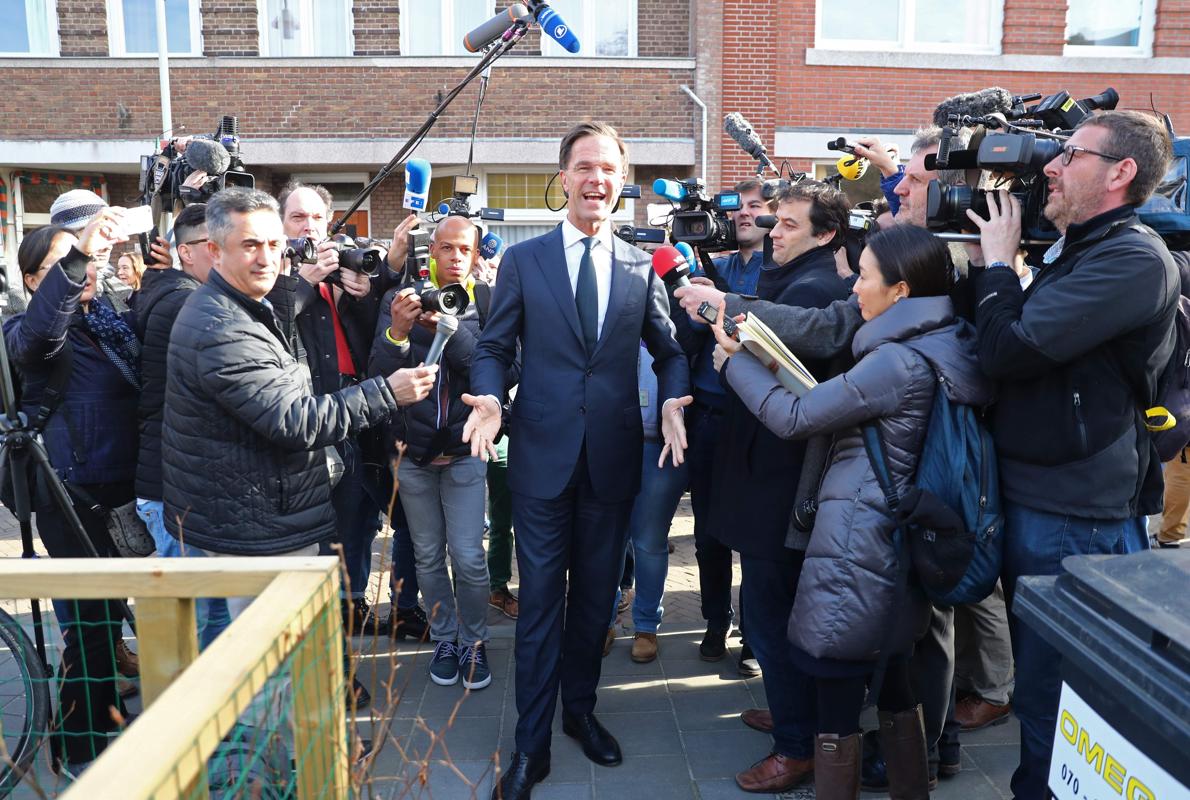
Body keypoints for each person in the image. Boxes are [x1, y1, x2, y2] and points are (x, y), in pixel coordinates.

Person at [716, 224, 993, 800]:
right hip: (897, 545)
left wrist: (734, 363)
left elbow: (795, 419)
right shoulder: (947, 339)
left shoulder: (894, 361)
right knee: (896, 687)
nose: (851, 287)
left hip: (858, 547)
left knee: (837, 698)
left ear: (899, 291)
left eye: (862, 276)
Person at [466, 121, 691, 800]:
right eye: (585, 167)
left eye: (609, 170)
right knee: (539, 605)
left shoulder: (637, 263)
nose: (597, 180)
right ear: (563, 178)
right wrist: (487, 394)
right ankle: (530, 748)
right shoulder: (525, 261)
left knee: (595, 603)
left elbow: (671, 348)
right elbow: (494, 344)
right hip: (539, 459)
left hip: (613, 462)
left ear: (621, 184)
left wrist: (676, 397)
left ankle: (580, 713)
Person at [965, 110, 1178, 798]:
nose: (1050, 168)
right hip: (1039, 493)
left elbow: (1008, 351)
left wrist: (998, 266)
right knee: (1040, 686)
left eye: (1070, 156)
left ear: (1121, 173)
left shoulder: (1130, 258)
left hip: (1076, 511)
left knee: (1059, 694)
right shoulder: (1079, 248)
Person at [161, 188, 437, 603]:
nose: (266, 257)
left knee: (351, 541)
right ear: (214, 252)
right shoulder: (224, 323)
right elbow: (294, 420)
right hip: (256, 526)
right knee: (274, 658)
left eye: (273, 245)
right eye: (250, 245)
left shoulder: (244, 305)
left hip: (278, 500)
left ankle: (348, 612)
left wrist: (366, 287)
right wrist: (388, 392)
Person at [710, 181, 852, 793]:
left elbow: (796, 389)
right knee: (773, 610)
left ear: (826, 235)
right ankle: (792, 711)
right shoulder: (792, 279)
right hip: (767, 477)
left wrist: (731, 355)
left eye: (790, 225)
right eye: (775, 222)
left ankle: (797, 744)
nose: (773, 233)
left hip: (781, 482)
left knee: (771, 614)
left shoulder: (816, 288)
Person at [6, 215, 140, 774]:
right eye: (59, 266)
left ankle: (96, 720)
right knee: (88, 628)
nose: (82, 271)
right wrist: (79, 257)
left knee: (108, 620)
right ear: (35, 281)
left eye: (86, 261)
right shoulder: (22, 331)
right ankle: (83, 751)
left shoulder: (105, 319)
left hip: (123, 486)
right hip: (71, 492)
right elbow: (41, 334)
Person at [369, 214, 513, 690]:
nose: (454, 259)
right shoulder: (400, 299)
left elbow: (494, 371)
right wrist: (397, 331)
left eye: (464, 250)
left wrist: (451, 329)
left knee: (469, 556)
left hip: (464, 451)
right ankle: (446, 638)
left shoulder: (488, 303)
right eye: (446, 249)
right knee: (428, 556)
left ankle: (474, 641)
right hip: (411, 457)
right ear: (431, 252)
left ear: (476, 255)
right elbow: (378, 375)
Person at [277, 182, 398, 637]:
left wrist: (363, 293)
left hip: (359, 406)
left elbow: (370, 339)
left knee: (360, 512)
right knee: (319, 524)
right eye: (297, 218)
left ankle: (352, 601)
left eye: (315, 218)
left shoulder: (341, 265)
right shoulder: (277, 271)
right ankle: (323, 624)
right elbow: (270, 323)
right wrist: (301, 282)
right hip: (312, 411)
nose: (308, 226)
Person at [132, 202, 230, 649]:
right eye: (211, 245)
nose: (222, 254)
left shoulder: (162, 289)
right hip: (176, 493)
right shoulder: (186, 303)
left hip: (171, 487)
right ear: (184, 252)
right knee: (201, 625)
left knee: (202, 618)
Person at [686, 178, 770, 669]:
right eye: (737, 207)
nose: (743, 214)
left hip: (756, 415)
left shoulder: (777, 270)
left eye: (755, 207)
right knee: (707, 533)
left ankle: (756, 639)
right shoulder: (711, 265)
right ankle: (716, 622)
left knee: (755, 535)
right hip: (708, 415)